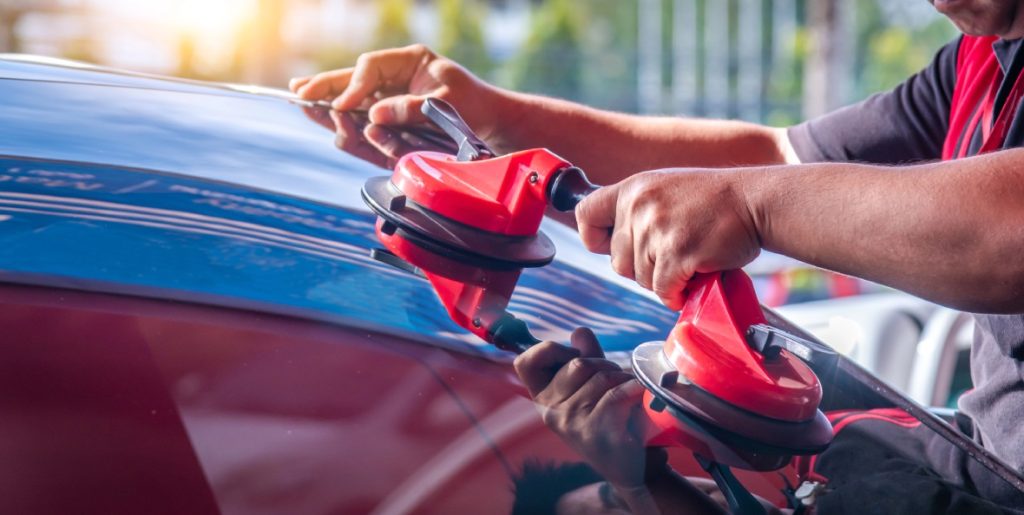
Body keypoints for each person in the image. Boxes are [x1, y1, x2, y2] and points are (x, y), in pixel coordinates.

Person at [291, 0, 1024, 511]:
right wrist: (502, 119)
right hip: (977, 462)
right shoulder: (978, 63)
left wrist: (748, 206)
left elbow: (1008, 225)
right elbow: (776, 158)